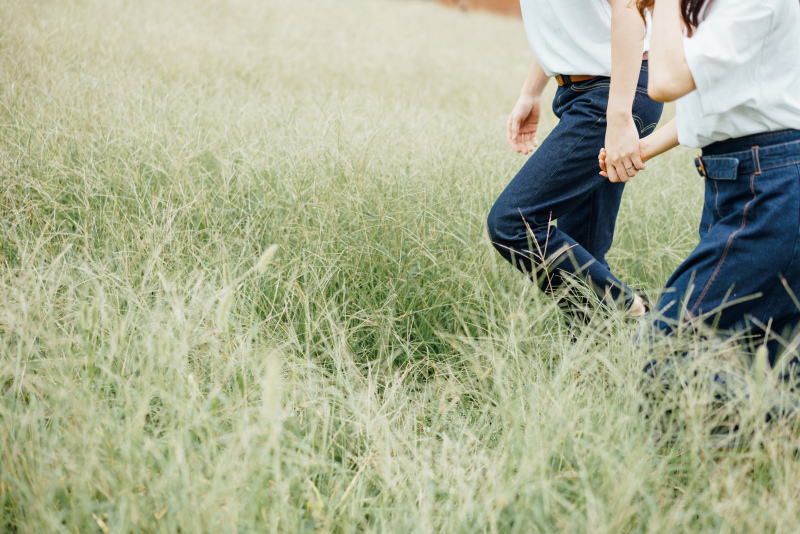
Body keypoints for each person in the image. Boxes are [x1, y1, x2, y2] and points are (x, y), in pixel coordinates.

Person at [600, 0, 800, 369]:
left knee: (662, 348)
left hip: (770, 186)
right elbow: (721, 101)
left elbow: (665, 81)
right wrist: (640, 149)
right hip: (743, 177)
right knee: (767, 362)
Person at [486, 0, 663, 321]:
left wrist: (619, 116)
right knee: (585, 251)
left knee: (513, 222)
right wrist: (532, 92)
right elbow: (565, 21)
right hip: (581, 93)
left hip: (614, 91)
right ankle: (595, 364)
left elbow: (628, 8)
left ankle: (633, 310)